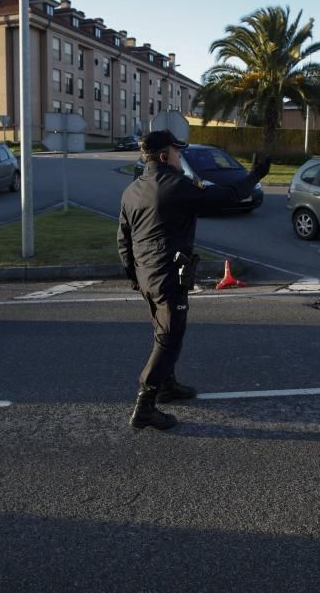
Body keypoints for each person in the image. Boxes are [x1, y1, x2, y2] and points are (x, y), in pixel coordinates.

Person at [118, 130, 270, 430]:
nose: (179, 157)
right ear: (164, 157)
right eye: (177, 152)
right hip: (167, 277)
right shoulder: (175, 185)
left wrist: (134, 277)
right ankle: (145, 405)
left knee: (164, 331)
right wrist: (254, 176)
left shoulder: (132, 190)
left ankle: (167, 385)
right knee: (170, 338)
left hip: (147, 276)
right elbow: (225, 197)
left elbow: (123, 239)